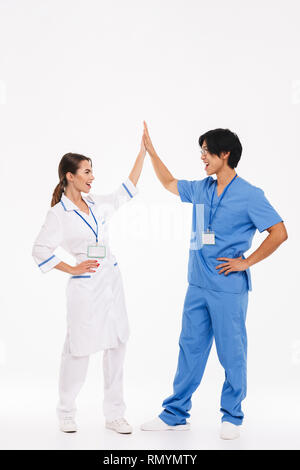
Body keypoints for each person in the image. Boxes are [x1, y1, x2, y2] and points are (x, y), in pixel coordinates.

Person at [141, 122, 288, 440]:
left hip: (227, 288)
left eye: (207, 152)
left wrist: (246, 262)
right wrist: (152, 152)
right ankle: (175, 413)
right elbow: (168, 182)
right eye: (201, 151)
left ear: (225, 154)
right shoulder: (202, 188)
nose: (202, 157)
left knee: (232, 352)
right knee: (189, 349)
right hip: (197, 285)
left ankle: (232, 416)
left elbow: (279, 232)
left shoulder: (250, 195)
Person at [32, 141, 145, 434]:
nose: (92, 177)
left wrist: (143, 152)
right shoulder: (59, 214)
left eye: (92, 171)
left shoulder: (97, 204)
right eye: (87, 171)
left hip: (111, 282)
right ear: (70, 176)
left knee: (118, 343)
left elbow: (127, 189)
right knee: (79, 349)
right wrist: (71, 267)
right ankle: (66, 411)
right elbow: (40, 250)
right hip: (84, 288)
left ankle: (115, 414)